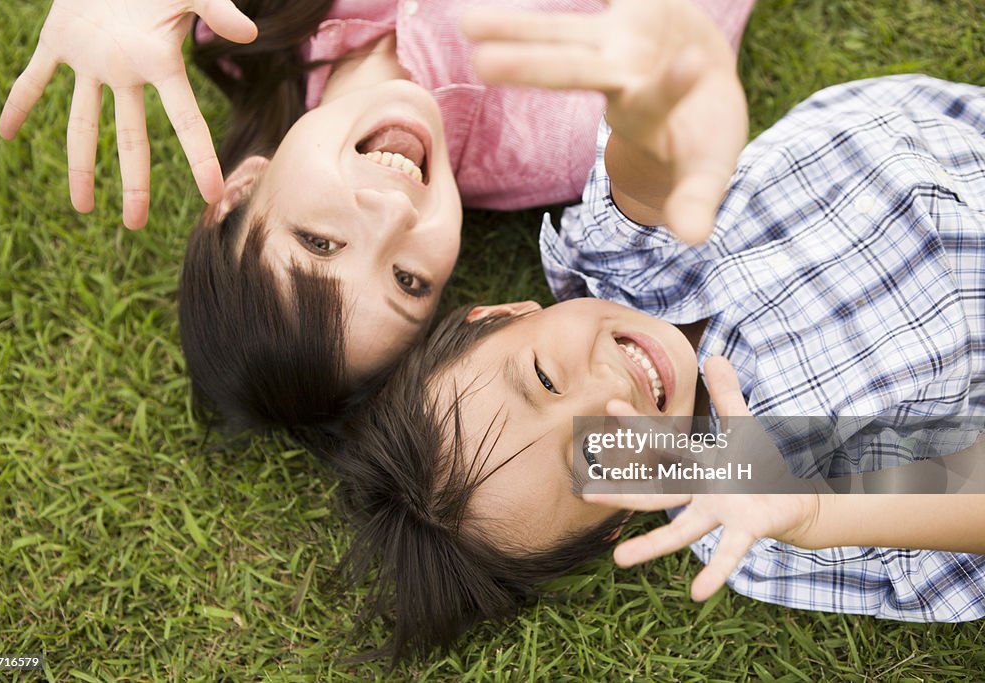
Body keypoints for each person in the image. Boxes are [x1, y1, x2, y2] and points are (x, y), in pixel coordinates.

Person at [331, 20, 985, 658]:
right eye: (592, 456)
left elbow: (644, 172)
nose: (610, 392)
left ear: (501, 314)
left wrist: (654, 106)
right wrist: (823, 511)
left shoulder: (621, 267)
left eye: (545, 378)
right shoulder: (760, 492)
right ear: (618, 518)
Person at [0, 0, 752, 434]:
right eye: (408, 279)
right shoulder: (554, 138)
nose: (393, 211)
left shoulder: (237, 22)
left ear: (239, 192)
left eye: (318, 240)